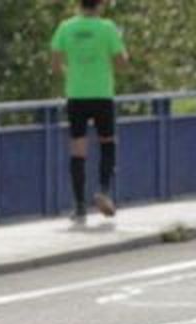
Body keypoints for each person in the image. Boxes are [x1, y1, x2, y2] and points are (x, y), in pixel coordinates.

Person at [51, 0, 129, 221]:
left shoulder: (65, 27)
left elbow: (55, 64)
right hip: (102, 94)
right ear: (101, 3)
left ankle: (79, 207)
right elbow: (122, 63)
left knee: (78, 150)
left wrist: (72, 73)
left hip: (76, 95)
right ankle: (103, 191)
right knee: (107, 143)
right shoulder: (107, 28)